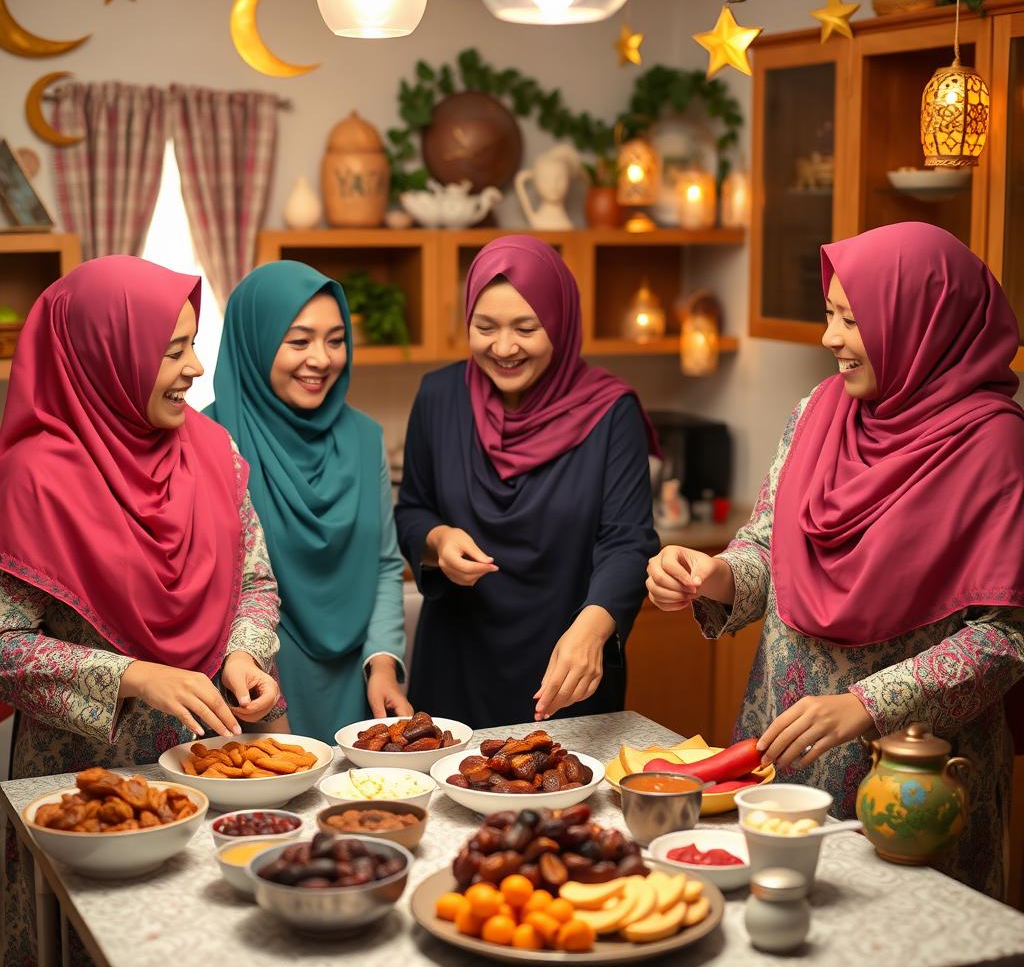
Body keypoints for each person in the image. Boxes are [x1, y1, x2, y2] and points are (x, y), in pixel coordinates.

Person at [646, 222, 1024, 898]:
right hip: (782, 751)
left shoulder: (995, 448)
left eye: (852, 320)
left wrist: (866, 705)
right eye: (830, 315)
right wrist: (718, 575)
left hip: (912, 782)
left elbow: (1006, 636)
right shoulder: (816, 412)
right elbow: (766, 544)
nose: (830, 339)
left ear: (921, 324)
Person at [0, 256, 283, 966]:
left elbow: (256, 582)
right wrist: (134, 675)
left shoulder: (214, 450)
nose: (195, 370)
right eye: (172, 350)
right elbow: (2, 643)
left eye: (194, 344)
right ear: (107, 356)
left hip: (208, 765)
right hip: (78, 790)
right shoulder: (31, 480)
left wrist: (244, 653)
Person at [395, 235, 660, 728]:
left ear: (559, 322)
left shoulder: (610, 411)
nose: (503, 348)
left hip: (567, 663)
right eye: (485, 327)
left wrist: (594, 628)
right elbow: (412, 509)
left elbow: (628, 542)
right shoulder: (439, 396)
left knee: (568, 796)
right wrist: (439, 539)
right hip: (456, 659)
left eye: (526, 327)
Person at [206, 261, 409, 743]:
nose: (321, 358)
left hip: (355, 684)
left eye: (335, 340)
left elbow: (384, 563)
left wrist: (382, 666)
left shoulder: (364, 438)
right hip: (248, 684)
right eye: (298, 341)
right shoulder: (208, 442)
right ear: (254, 341)